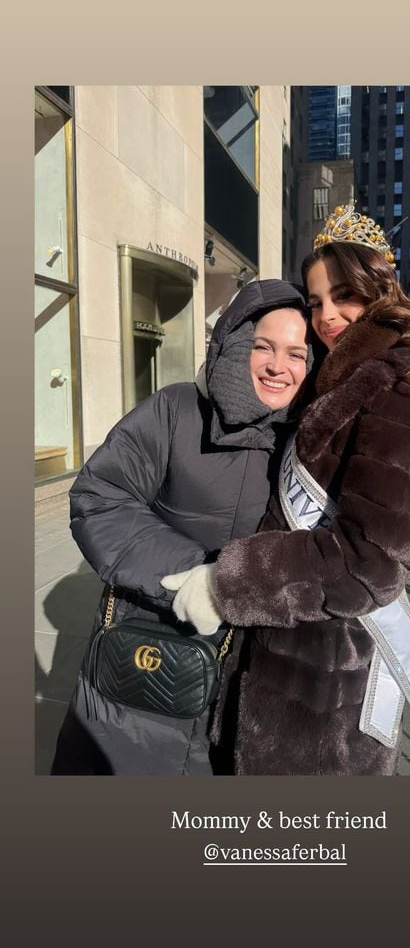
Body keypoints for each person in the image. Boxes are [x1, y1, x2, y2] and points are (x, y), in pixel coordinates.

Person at [162, 204, 410, 776]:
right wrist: (221, 381)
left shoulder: (408, 389)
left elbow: (369, 562)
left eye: (343, 296)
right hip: (286, 651)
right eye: (316, 301)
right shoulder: (342, 377)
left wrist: (226, 584)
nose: (327, 316)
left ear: (380, 291)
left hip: (328, 684)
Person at [50, 279, 311, 775]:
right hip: (151, 654)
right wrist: (197, 577)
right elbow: (100, 496)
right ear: (236, 344)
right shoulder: (175, 410)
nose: (278, 366)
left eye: (296, 354)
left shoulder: (312, 442)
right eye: (263, 346)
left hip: (252, 681)